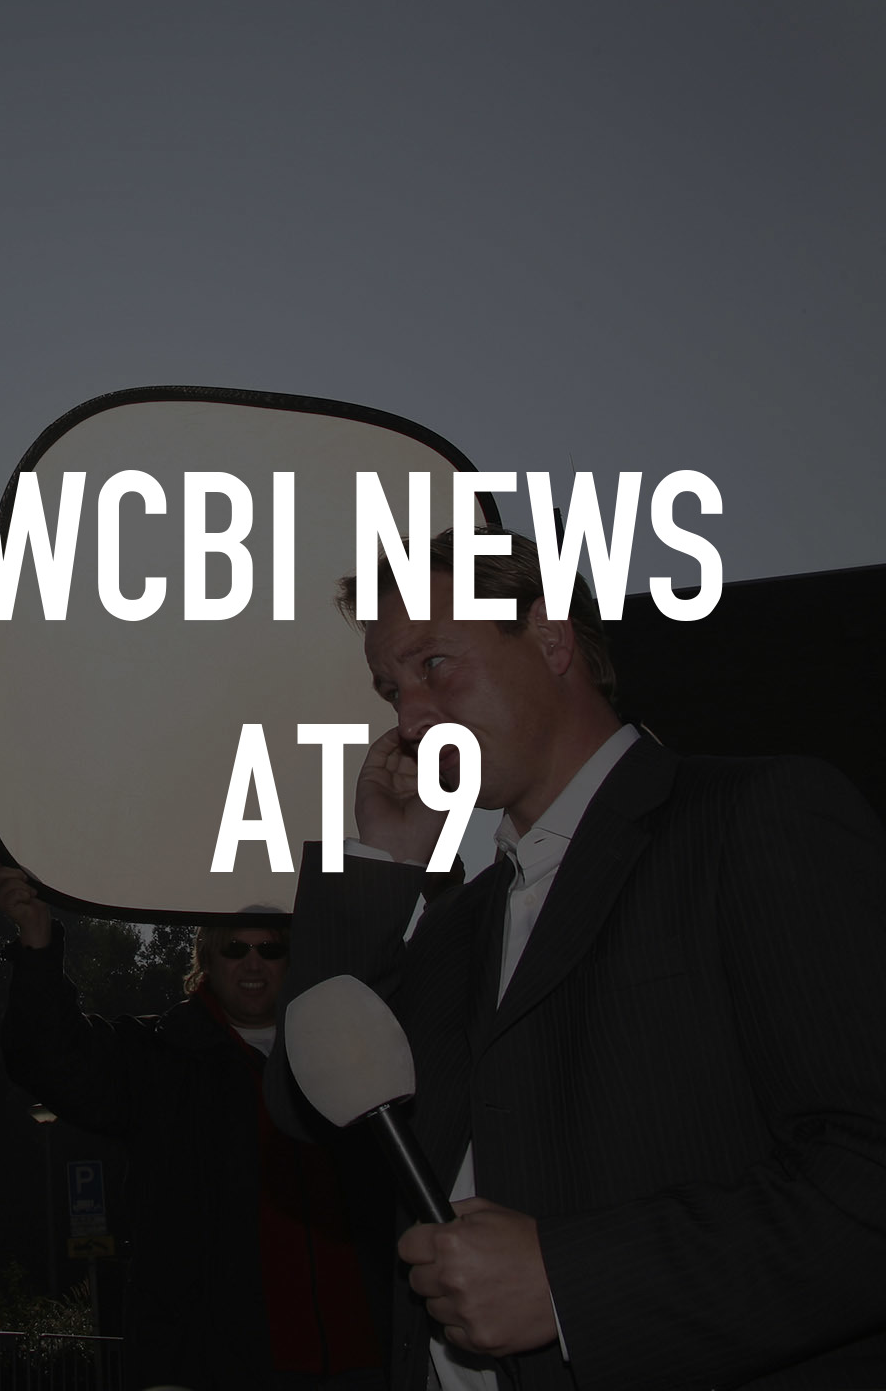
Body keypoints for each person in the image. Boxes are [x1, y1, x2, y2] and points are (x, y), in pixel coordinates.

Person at [265, 527, 886, 1391]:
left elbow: (866, 1176)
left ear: (552, 639)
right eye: (391, 689)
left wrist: (569, 1284)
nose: (407, 718)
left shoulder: (755, 817)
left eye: (434, 664)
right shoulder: (456, 925)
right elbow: (309, 1108)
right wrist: (383, 865)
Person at [0, 859, 390, 1391]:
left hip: (360, 1359)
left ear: (293, 959)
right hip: (213, 1365)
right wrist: (37, 940)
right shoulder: (162, 1058)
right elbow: (49, 1059)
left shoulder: (348, 1056)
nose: (253, 963)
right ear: (207, 958)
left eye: (271, 949)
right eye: (235, 948)